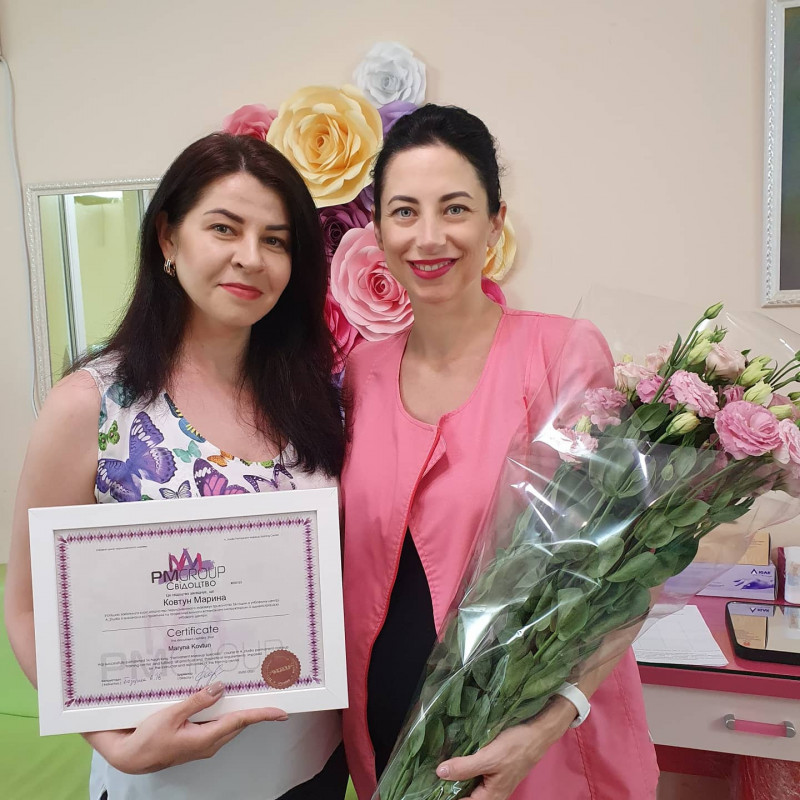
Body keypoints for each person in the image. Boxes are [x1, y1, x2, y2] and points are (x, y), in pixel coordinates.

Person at [5, 133, 349, 800]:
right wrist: (111, 741)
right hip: (166, 784)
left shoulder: (321, 397)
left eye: (276, 241)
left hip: (310, 767)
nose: (250, 257)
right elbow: (25, 608)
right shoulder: (94, 405)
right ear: (167, 236)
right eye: (224, 228)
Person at [340, 105, 660, 799]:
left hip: (530, 745)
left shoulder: (561, 352)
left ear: (495, 222)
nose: (429, 236)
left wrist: (546, 725)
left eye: (455, 208)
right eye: (404, 212)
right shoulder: (362, 374)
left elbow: (626, 571)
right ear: (378, 232)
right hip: (387, 744)